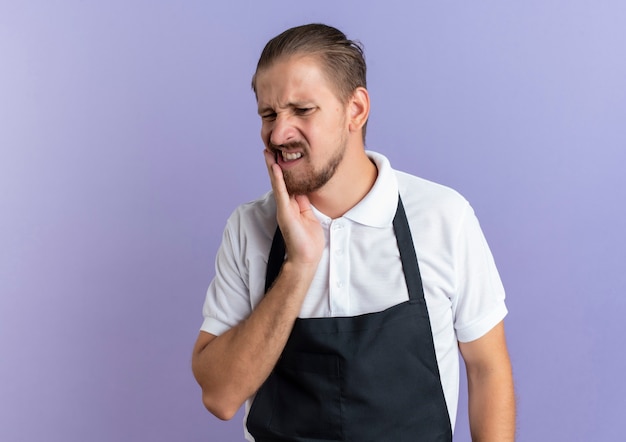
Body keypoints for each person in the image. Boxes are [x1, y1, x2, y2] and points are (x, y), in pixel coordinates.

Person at [192, 23, 515, 441]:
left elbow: (487, 369)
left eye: (302, 110)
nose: (277, 133)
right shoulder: (248, 226)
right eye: (269, 115)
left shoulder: (442, 217)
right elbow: (220, 396)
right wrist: (299, 266)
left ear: (356, 110)